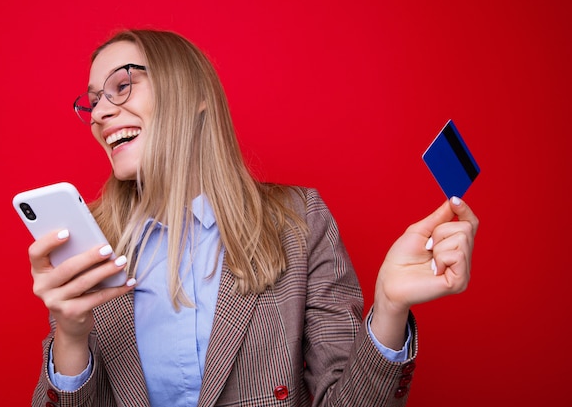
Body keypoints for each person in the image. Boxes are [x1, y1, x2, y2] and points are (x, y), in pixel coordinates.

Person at [29, 29, 478, 407]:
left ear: (195, 94)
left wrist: (391, 305)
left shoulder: (299, 222)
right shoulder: (91, 243)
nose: (101, 113)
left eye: (121, 86)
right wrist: (70, 337)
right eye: (92, 103)